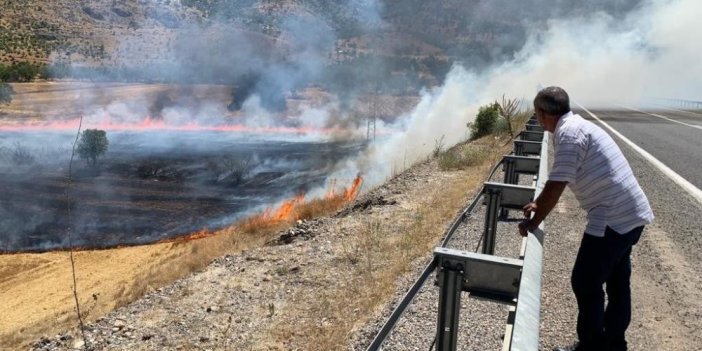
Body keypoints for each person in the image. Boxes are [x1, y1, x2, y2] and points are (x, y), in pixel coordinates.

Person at [518, 87, 654, 351]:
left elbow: (557, 184)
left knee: (585, 280)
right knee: (616, 281)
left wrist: (533, 222)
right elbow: (557, 181)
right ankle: (614, 343)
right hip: (631, 214)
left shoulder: (568, 134)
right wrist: (539, 202)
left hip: (611, 217)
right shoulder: (577, 125)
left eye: (537, 114)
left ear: (544, 113)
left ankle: (592, 346)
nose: (537, 119)